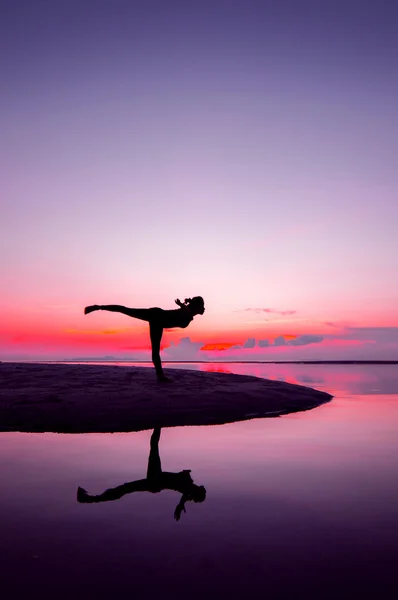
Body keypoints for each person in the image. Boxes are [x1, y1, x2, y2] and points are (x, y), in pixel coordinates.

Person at [77, 427, 206, 521]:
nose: (202, 487)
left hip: (155, 480)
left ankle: (90, 499)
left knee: (153, 448)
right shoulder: (189, 489)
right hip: (156, 483)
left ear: (198, 492)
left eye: (202, 490)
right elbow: (185, 497)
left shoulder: (189, 488)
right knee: (125, 488)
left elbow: (185, 496)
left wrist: (181, 504)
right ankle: (90, 499)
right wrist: (181, 505)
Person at [84, 296, 205, 382]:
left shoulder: (189, 313)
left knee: (155, 349)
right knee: (127, 310)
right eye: (202, 306)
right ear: (196, 306)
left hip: (158, 320)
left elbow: (186, 310)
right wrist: (181, 305)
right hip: (157, 316)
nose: (203, 308)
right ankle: (98, 307)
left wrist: (182, 305)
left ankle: (160, 376)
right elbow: (185, 310)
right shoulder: (188, 311)